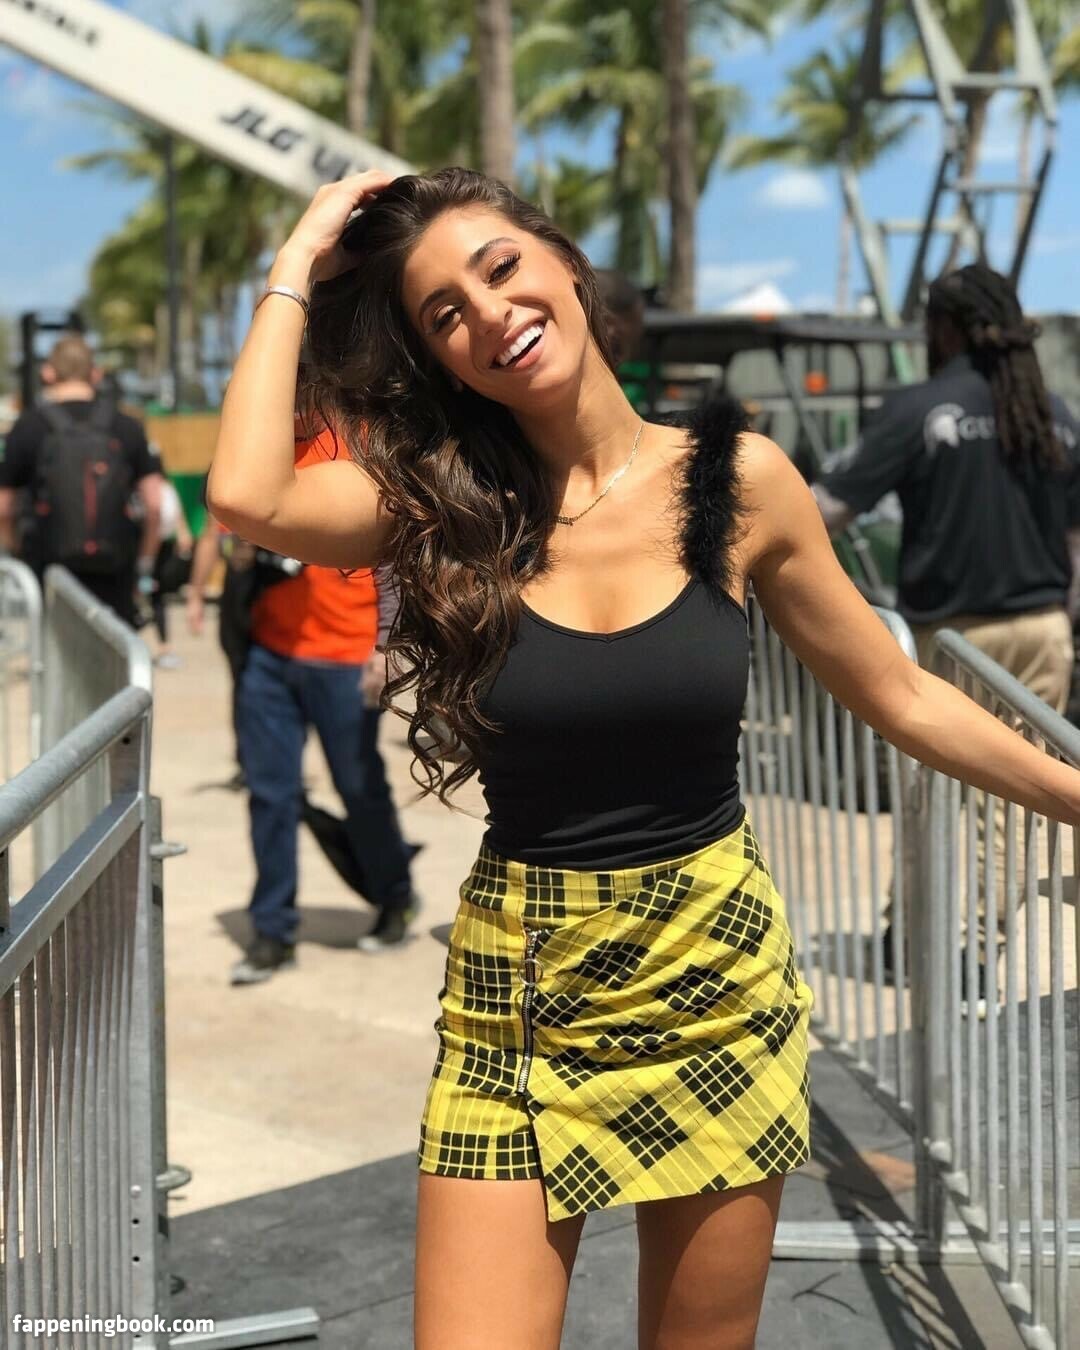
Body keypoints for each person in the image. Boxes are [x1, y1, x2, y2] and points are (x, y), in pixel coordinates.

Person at [206, 169, 1080, 1349]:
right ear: (440, 359)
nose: (490, 313)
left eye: (502, 268)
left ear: (565, 266)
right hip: (522, 993)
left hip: (714, 974)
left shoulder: (738, 483)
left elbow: (903, 694)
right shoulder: (441, 505)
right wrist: (300, 257)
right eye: (445, 313)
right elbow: (246, 493)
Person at [813, 263, 1080, 1003]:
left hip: (949, 641)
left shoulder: (920, 408)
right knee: (1015, 803)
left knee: (927, 792)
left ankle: (912, 938)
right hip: (1043, 630)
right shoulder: (1053, 413)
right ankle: (974, 951)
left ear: (944, 328)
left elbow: (828, 507)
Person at [204, 421, 417, 985]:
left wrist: (386, 648)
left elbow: (396, 557)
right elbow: (228, 535)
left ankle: (394, 895)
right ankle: (272, 931)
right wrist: (238, 554)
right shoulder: (260, 445)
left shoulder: (363, 441)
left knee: (359, 786)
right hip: (270, 655)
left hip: (346, 656)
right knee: (270, 793)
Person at [0, 336, 163, 623]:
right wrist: (145, 563)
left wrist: (14, 551)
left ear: (48, 373)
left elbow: (4, 508)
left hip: (49, 572)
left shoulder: (28, 427)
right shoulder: (127, 426)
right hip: (116, 571)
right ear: (95, 374)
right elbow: (154, 506)